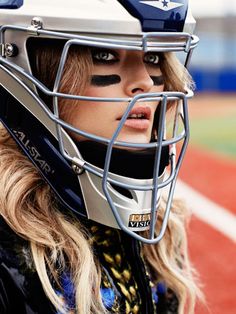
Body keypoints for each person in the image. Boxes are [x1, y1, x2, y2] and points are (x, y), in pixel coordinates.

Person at [0, 0, 202, 313]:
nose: (146, 81)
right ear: (34, 70)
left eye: (153, 56)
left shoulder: (159, 228)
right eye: (104, 54)